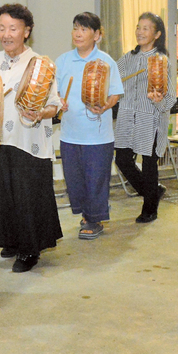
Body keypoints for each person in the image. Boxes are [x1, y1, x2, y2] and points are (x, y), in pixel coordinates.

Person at [0, 4, 62, 273]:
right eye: (2, 28)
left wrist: (40, 112)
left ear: (26, 31)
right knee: (1, 194)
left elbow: (55, 104)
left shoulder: (40, 63)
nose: (6, 34)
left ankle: (30, 250)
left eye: (13, 28)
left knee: (27, 196)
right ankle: (11, 240)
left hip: (29, 141)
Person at [55, 12, 123, 239]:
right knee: (74, 181)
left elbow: (115, 93)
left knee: (95, 179)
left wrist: (105, 106)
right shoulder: (63, 60)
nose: (78, 33)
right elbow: (53, 92)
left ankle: (94, 220)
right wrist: (58, 102)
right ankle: (86, 214)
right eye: (75, 28)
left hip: (98, 136)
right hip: (70, 134)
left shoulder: (106, 62)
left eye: (84, 29)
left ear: (97, 35)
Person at [114, 12, 175, 224]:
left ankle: (149, 208)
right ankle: (153, 191)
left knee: (149, 164)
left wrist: (158, 100)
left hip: (150, 119)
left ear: (157, 34)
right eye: (139, 27)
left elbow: (170, 98)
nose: (140, 31)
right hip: (127, 118)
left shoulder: (161, 60)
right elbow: (112, 80)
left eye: (146, 28)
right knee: (121, 160)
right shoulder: (127, 58)